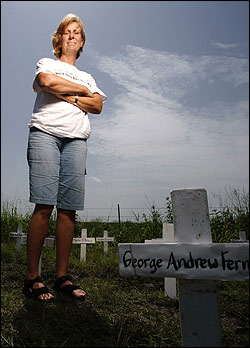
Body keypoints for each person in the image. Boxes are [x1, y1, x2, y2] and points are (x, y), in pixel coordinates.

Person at [23, 14, 107, 301]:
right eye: (66, 32)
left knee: (68, 209)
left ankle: (61, 276)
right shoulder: (48, 63)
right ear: (59, 39)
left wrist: (71, 95)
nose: (71, 36)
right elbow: (46, 81)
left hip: (77, 140)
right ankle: (32, 277)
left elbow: (97, 105)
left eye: (76, 33)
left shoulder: (88, 76)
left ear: (81, 42)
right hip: (45, 133)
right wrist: (81, 92)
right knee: (44, 205)